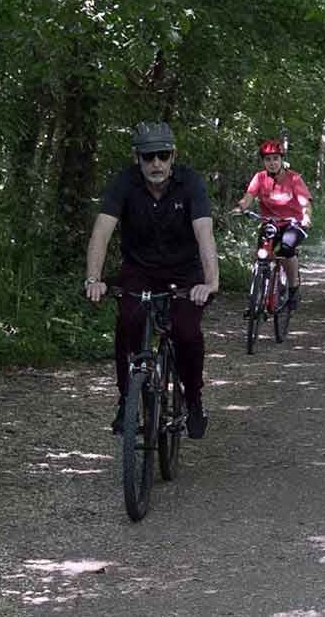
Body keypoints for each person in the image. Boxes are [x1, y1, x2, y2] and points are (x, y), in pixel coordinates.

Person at [84, 122, 218, 439]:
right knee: (127, 322)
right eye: (148, 157)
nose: (156, 164)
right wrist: (94, 278)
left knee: (186, 333)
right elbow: (101, 233)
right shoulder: (125, 183)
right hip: (139, 270)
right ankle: (127, 399)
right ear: (137, 158)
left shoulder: (191, 184)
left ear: (173, 156)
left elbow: (205, 234)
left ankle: (194, 401)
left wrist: (210, 282)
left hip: (184, 273)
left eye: (162, 156)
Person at [232, 139, 313, 310]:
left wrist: (306, 217)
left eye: (276, 159)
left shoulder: (294, 178)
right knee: (262, 254)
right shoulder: (259, 177)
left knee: (286, 248)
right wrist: (240, 207)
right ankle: (261, 289)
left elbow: (305, 202)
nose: (272, 163)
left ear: (281, 160)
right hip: (270, 223)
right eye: (268, 159)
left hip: (293, 223)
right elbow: (248, 197)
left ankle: (292, 288)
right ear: (263, 162)